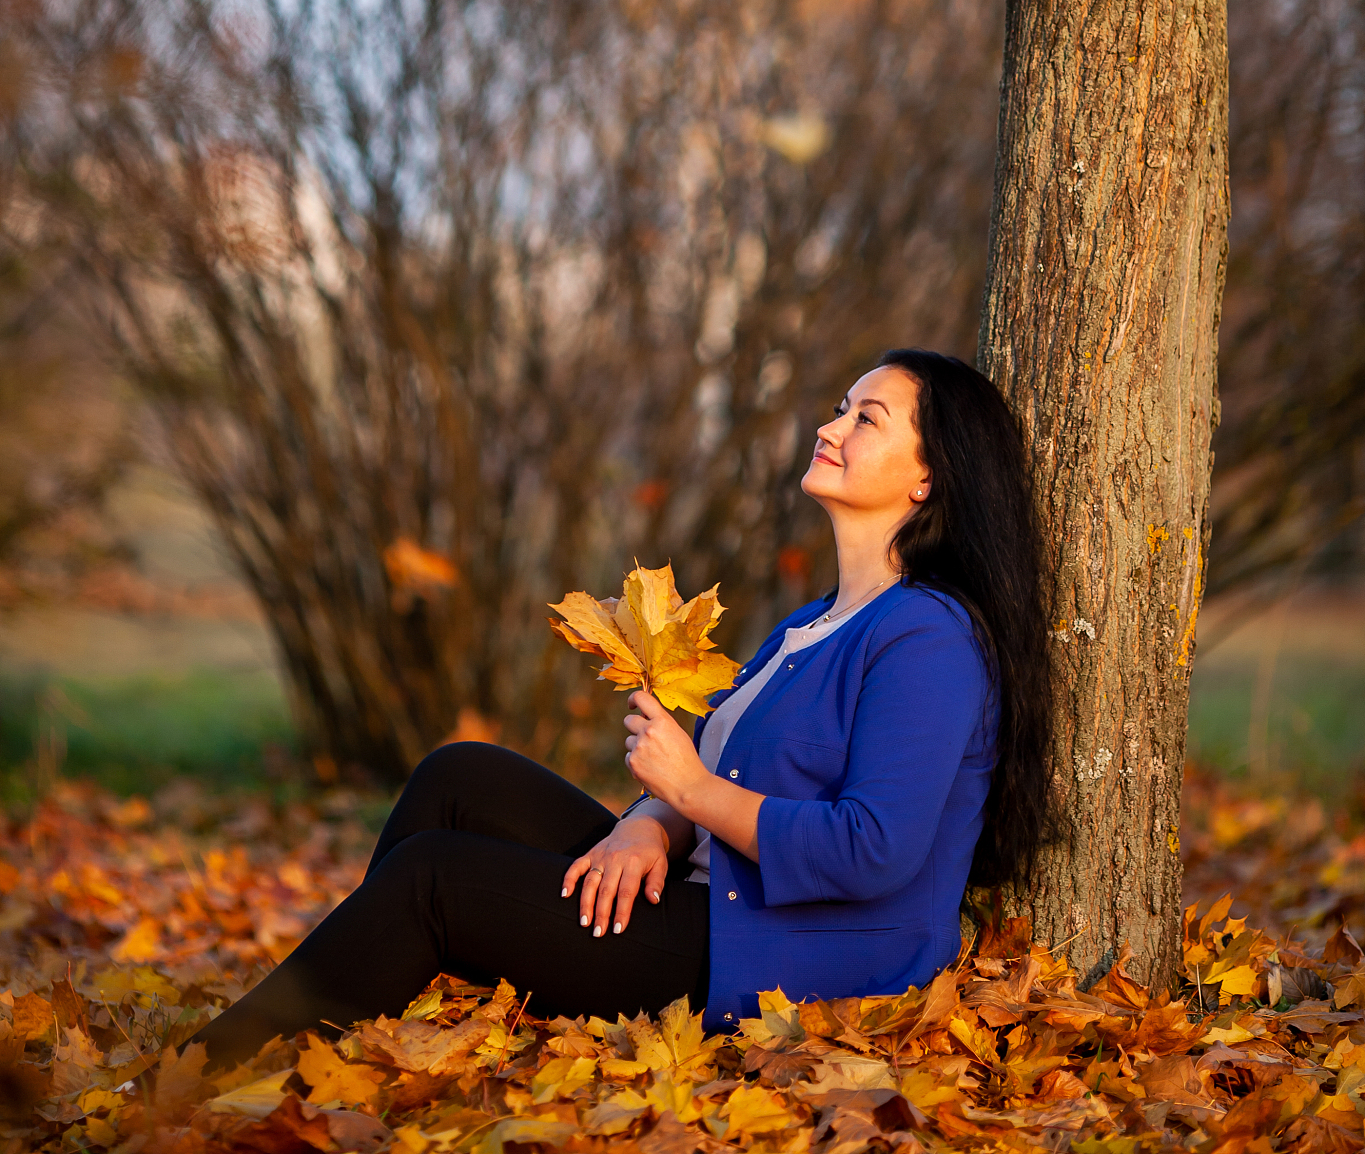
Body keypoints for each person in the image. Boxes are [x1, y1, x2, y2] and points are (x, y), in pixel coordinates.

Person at [199, 348, 1052, 1066]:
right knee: (460, 775)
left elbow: (873, 850)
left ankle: (197, 1077)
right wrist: (650, 822)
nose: (829, 427)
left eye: (866, 419)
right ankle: (338, 1019)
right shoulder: (813, 622)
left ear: (927, 477)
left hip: (785, 958)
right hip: (715, 898)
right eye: (839, 408)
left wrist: (686, 796)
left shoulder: (926, 638)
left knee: (438, 880)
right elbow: (712, 773)